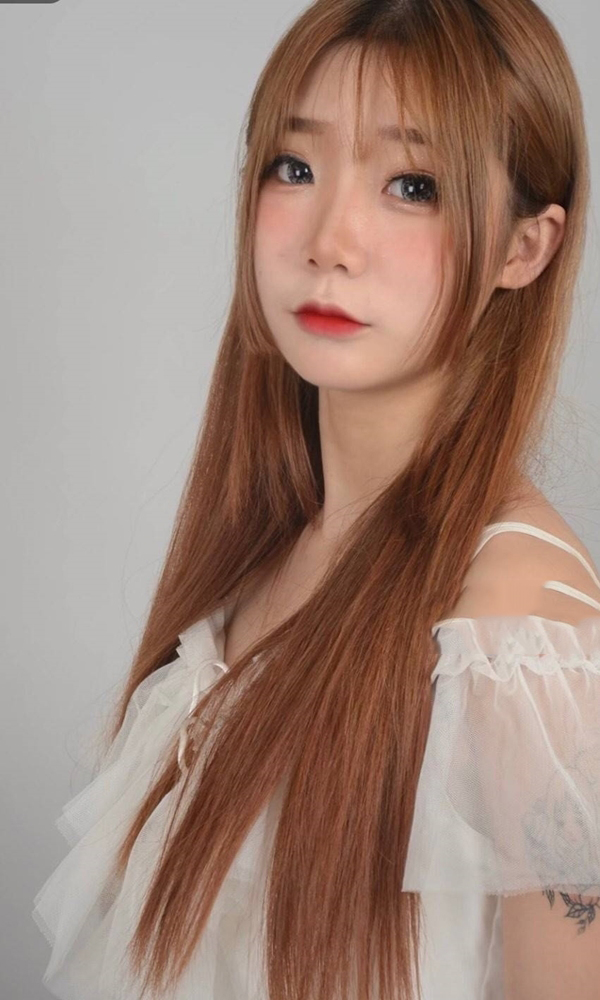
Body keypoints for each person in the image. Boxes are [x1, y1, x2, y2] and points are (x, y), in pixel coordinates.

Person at [33, 1, 600, 998]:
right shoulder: (265, 548)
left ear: (526, 248)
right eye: (294, 168)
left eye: (413, 186)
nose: (330, 239)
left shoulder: (517, 630)